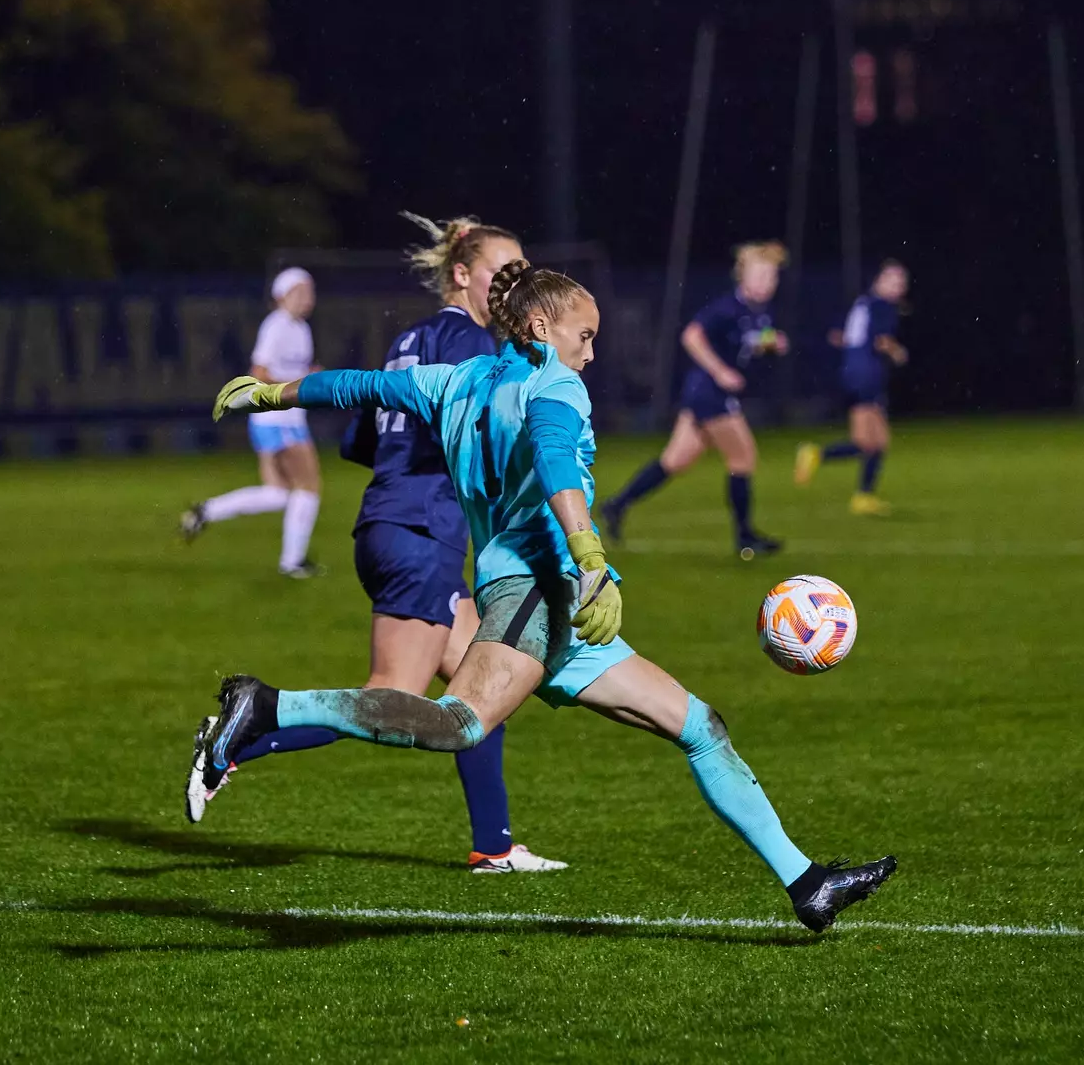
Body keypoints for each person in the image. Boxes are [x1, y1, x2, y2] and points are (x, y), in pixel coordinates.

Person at [188, 258, 896, 932]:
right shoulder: (554, 385)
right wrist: (590, 556)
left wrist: (273, 393)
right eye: (583, 336)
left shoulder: (453, 380)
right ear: (539, 330)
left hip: (554, 611)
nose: (590, 353)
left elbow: (363, 385)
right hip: (540, 589)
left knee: (699, 727)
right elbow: (558, 463)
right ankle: (270, 706)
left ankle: (807, 884)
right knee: (458, 724)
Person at [187, 215, 565, 874]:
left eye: (522, 271)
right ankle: (248, 730)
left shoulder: (408, 339)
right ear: (462, 275)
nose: (516, 285)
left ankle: (494, 847)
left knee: (484, 689)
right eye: (505, 272)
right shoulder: (467, 341)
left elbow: (360, 443)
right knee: (391, 696)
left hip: (395, 521)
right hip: (420, 529)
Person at [599, 242, 789, 560]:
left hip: (705, 394)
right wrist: (721, 371)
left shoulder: (758, 313)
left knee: (675, 461)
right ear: (742, 276)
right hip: (708, 393)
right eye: (761, 275)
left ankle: (616, 505)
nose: (767, 282)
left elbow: (748, 342)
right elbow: (692, 336)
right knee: (743, 458)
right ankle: (745, 537)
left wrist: (771, 344)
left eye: (771, 276)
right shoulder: (727, 307)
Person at [180, 268, 323, 577]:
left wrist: (311, 373)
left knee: (278, 494)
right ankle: (292, 562)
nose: (307, 298)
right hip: (278, 418)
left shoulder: (300, 328)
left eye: (309, 292)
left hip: (280, 418)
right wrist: (301, 380)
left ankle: (207, 511)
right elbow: (258, 373)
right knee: (309, 486)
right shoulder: (277, 326)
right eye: (300, 292)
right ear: (281, 296)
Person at [795, 260, 910, 515]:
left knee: (869, 441)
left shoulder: (861, 303)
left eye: (901, 281)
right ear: (878, 280)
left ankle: (829, 466)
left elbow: (837, 336)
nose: (898, 286)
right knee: (875, 441)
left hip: (851, 374)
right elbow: (882, 340)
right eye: (893, 279)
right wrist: (898, 352)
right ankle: (854, 488)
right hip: (867, 375)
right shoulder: (884, 306)